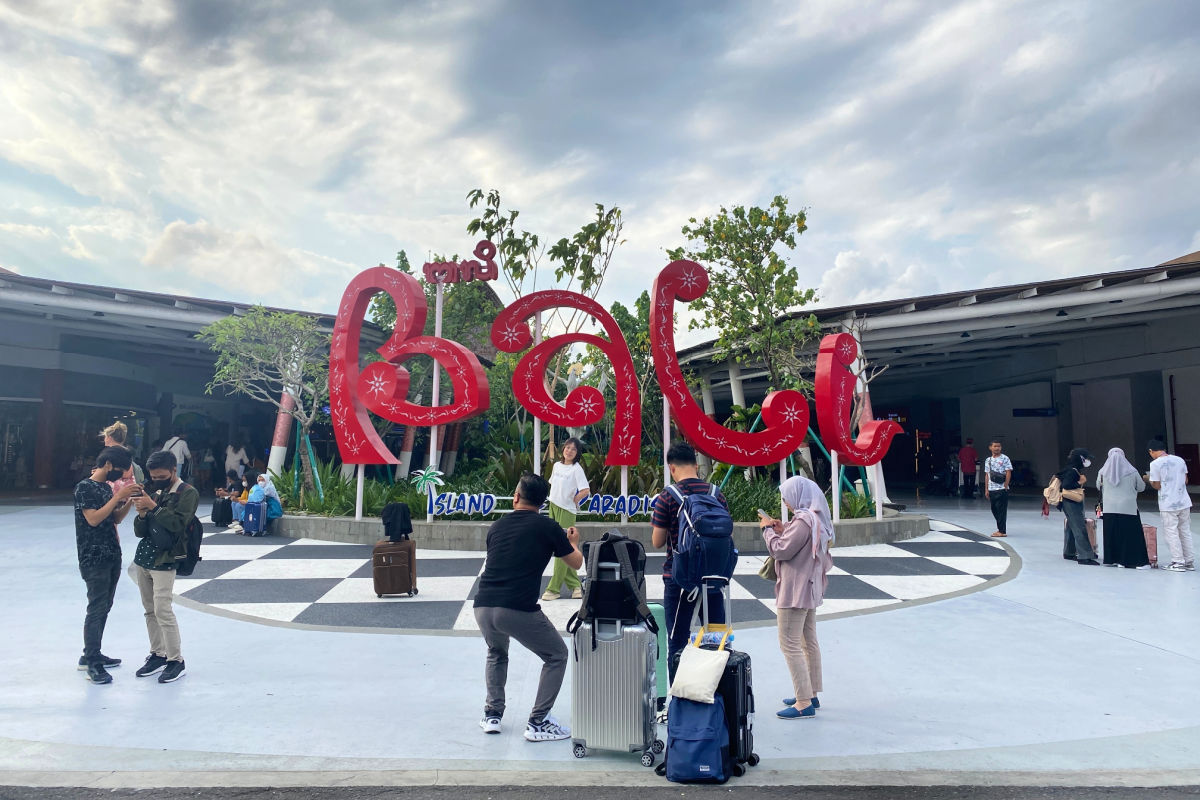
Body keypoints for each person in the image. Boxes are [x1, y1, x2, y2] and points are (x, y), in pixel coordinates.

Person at [473, 473, 582, 741]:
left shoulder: (497, 526)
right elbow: (576, 563)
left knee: (496, 652)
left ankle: (492, 715)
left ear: (517, 497)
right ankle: (538, 722)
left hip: (483, 605)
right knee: (557, 655)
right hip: (517, 607)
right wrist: (573, 543)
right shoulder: (548, 527)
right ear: (543, 502)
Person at [651, 441, 729, 682]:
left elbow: (657, 541)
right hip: (714, 579)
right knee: (717, 639)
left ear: (672, 468)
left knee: (677, 640)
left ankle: (680, 703)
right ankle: (719, 698)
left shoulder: (668, 496)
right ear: (696, 465)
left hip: (680, 579)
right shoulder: (717, 494)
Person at [760, 476, 834, 720]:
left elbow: (781, 550)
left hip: (795, 589)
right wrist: (784, 530)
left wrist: (767, 531)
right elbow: (797, 543)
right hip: (809, 587)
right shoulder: (813, 518)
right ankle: (810, 693)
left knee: (789, 644)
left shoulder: (803, 520)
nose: (786, 502)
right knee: (807, 641)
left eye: (786, 496)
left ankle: (803, 702)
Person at [130, 449, 198, 683]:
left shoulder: (187, 493)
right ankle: (157, 654)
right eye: (153, 476)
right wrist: (141, 514)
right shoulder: (151, 490)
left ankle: (175, 660)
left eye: (161, 476)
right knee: (149, 610)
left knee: (163, 610)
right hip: (144, 558)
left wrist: (154, 507)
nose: (156, 480)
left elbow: (178, 525)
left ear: (173, 470)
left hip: (166, 559)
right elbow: (140, 532)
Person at [74, 446, 139, 683]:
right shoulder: (85, 487)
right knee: (97, 607)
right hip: (94, 557)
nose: (122, 476)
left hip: (111, 554)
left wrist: (129, 501)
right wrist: (118, 497)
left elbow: (114, 519)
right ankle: (91, 661)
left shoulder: (104, 487)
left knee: (105, 605)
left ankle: (93, 653)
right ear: (109, 464)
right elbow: (92, 519)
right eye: (121, 470)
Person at [542, 437, 590, 602]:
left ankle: (553, 588)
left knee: (562, 547)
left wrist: (575, 499)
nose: (569, 451)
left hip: (567, 511)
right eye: (568, 447)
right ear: (563, 449)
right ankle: (575, 586)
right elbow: (553, 486)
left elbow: (585, 490)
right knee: (559, 545)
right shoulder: (556, 466)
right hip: (553, 507)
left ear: (577, 453)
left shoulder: (577, 469)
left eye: (573, 449)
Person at [1096, 448, 1150, 569]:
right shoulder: (1132, 471)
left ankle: (1112, 559)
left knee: (1112, 534)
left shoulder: (1103, 472)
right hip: (1128, 508)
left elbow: (1098, 486)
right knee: (1131, 535)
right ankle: (1134, 561)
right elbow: (1141, 487)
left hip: (1109, 508)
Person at [1147, 440, 1194, 572]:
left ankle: (1178, 562)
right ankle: (1189, 561)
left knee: (1171, 532)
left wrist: (1149, 480)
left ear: (1151, 451)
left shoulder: (1155, 464)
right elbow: (1185, 480)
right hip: (1184, 501)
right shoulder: (1179, 460)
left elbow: (1156, 485)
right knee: (1185, 531)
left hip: (1168, 503)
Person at [1059, 448, 1098, 565]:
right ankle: (1084, 556)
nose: (1087, 461)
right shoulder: (1072, 471)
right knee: (1079, 528)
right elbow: (1066, 485)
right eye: (1085, 458)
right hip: (1071, 502)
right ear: (1080, 458)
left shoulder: (1070, 469)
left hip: (1068, 502)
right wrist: (1081, 482)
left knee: (1072, 526)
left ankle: (1069, 552)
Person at [983, 440, 1013, 538]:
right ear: (990, 447)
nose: (997, 448)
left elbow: (1008, 471)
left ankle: (1002, 531)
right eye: (995, 446)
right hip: (992, 488)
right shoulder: (988, 460)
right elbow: (987, 474)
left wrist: (1006, 485)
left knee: (1001, 510)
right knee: (994, 509)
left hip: (1001, 488)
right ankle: (1000, 527)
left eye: (999, 446)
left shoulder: (1005, 458)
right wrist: (986, 489)